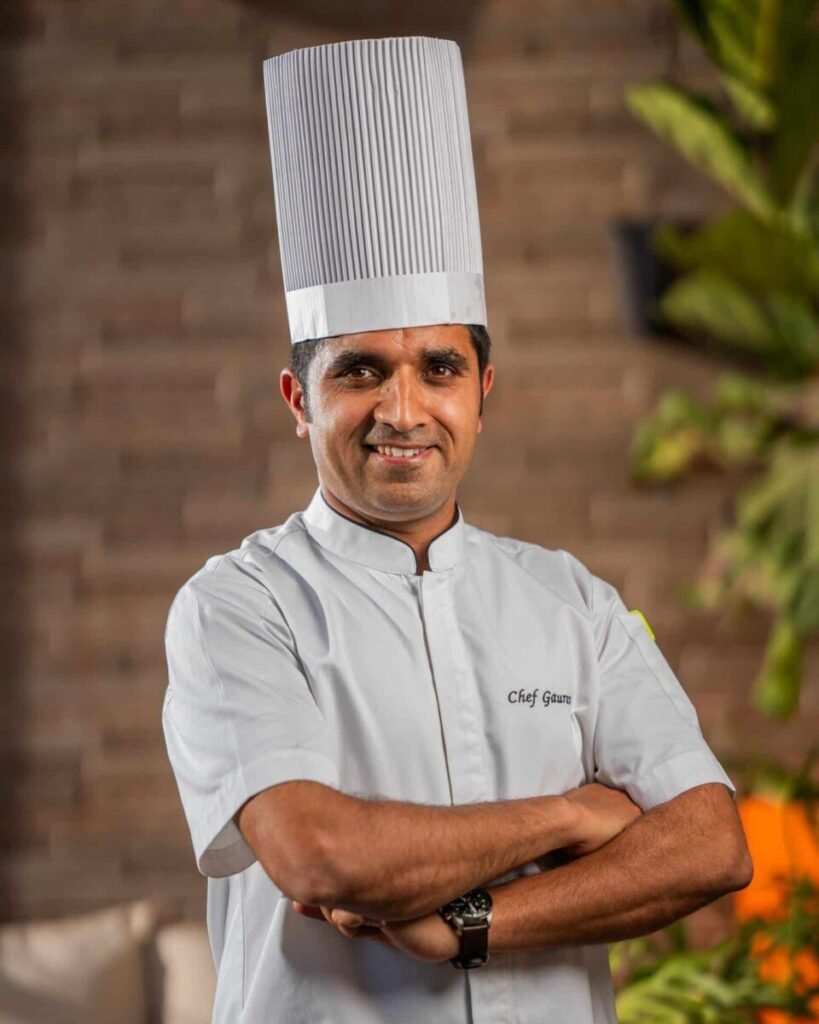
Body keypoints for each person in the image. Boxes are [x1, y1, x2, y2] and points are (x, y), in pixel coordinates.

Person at [161, 37, 752, 1024]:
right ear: (299, 400)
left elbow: (710, 845)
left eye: (438, 368)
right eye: (359, 371)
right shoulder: (239, 605)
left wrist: (469, 921)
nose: (402, 410)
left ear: (482, 392)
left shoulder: (570, 601)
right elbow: (319, 853)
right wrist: (572, 814)